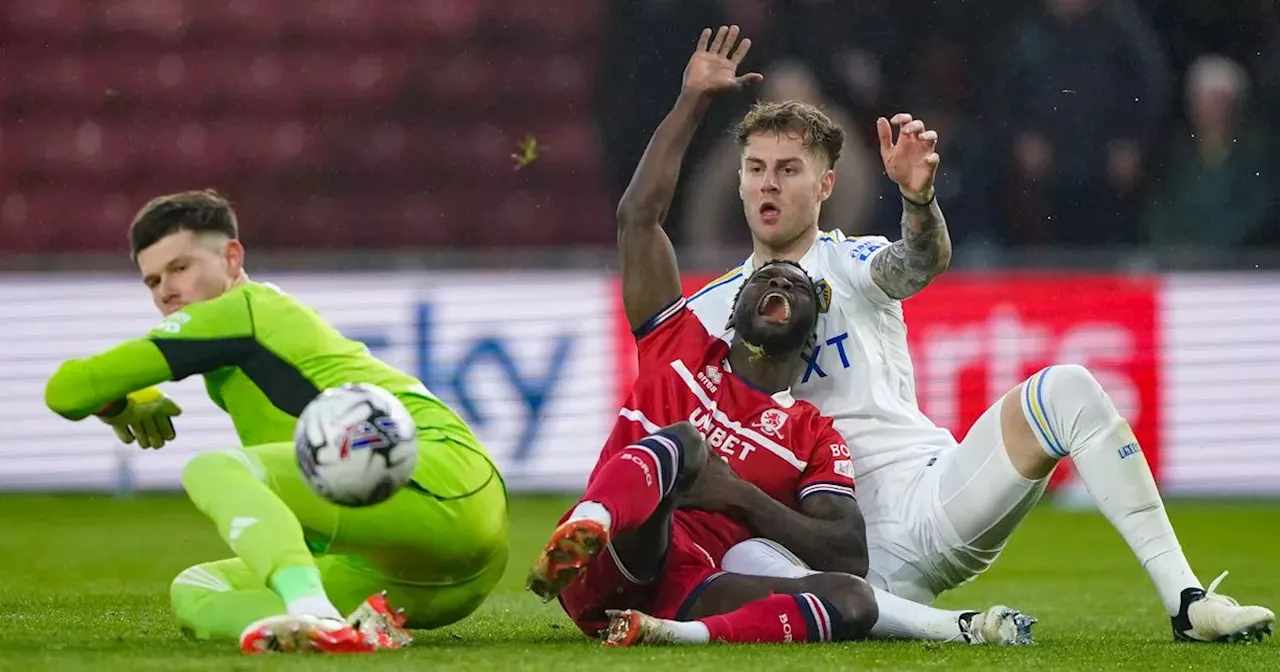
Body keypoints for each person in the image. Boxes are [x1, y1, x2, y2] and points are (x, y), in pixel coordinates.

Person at [685, 88, 1275, 643]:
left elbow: (919, 260)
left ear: (825, 184)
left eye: (789, 169)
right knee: (735, 557)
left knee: (1067, 388)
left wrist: (918, 200)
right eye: (756, 168)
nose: (769, 183)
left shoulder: (850, 261)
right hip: (826, 549)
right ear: (738, 181)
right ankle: (930, 620)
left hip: (929, 501)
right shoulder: (709, 311)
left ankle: (1187, 601)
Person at [524, 26, 879, 647]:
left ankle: (669, 635)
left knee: (854, 601)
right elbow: (638, 220)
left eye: (796, 285)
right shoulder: (680, 342)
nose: (781, 284)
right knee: (684, 442)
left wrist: (739, 497)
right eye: (766, 278)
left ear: (810, 325)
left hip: (692, 584)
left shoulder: (813, 434)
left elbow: (847, 551)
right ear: (735, 305)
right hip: (621, 555)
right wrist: (693, 102)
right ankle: (586, 525)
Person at [43, 190, 509, 654]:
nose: (166, 290)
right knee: (197, 588)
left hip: (439, 482)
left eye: (180, 268)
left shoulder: (240, 313)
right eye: (151, 280)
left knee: (216, 469)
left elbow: (67, 390)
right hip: (416, 576)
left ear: (231, 257)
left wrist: (119, 404)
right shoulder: (253, 324)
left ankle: (315, 612)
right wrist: (122, 402)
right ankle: (357, 627)